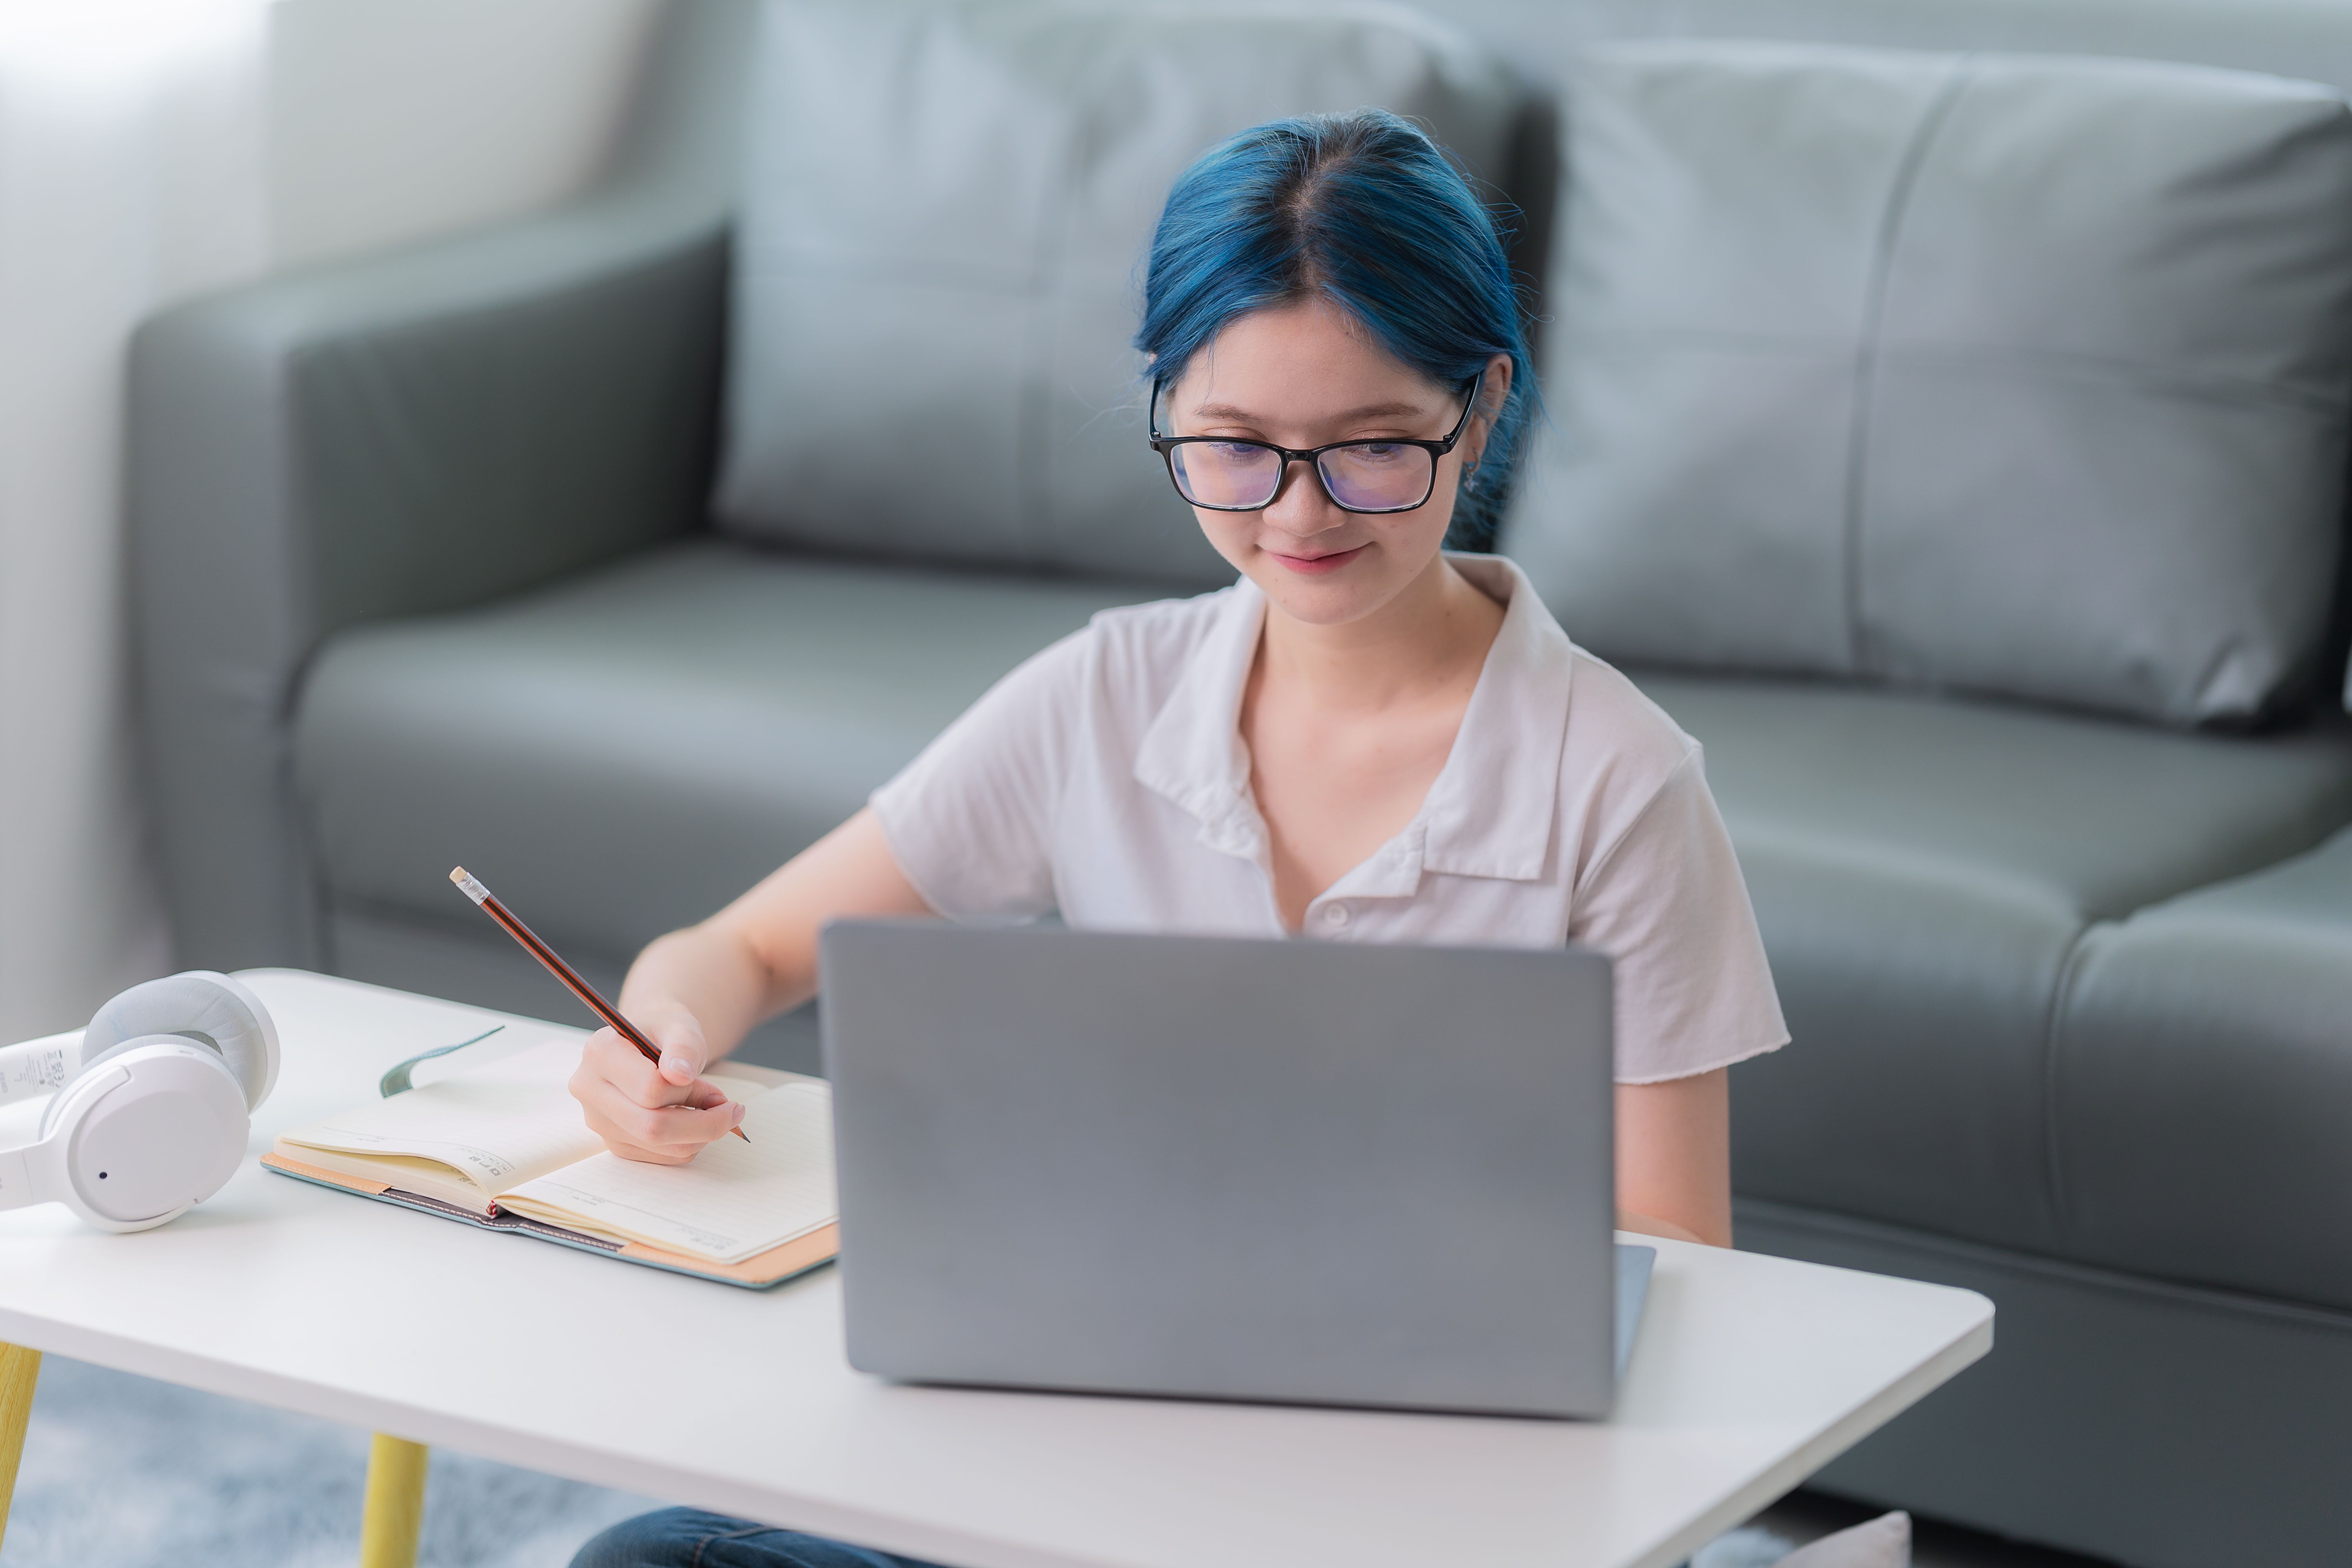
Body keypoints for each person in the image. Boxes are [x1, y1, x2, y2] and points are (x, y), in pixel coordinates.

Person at [570, 108, 1786, 1568]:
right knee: (652, 1562)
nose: (1299, 512)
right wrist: (661, 1040)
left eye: (1371, 451)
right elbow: (743, 947)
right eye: (1233, 449)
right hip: (1093, 1459)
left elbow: (1677, 1266)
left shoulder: (1621, 782)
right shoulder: (1106, 696)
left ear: (1482, 405)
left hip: (1426, 1502)